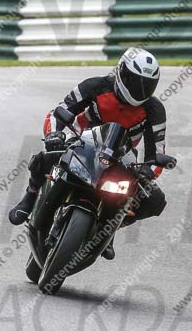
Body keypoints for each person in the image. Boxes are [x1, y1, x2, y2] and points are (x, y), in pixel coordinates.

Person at [9, 48, 168, 260]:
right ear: (122, 72)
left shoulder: (155, 109)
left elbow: (157, 150)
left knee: (154, 199)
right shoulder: (95, 86)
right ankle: (29, 198)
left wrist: (149, 171)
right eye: (135, 81)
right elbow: (60, 110)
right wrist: (54, 134)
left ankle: (112, 225)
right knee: (45, 158)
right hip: (83, 140)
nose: (140, 90)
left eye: (147, 85)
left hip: (123, 157)